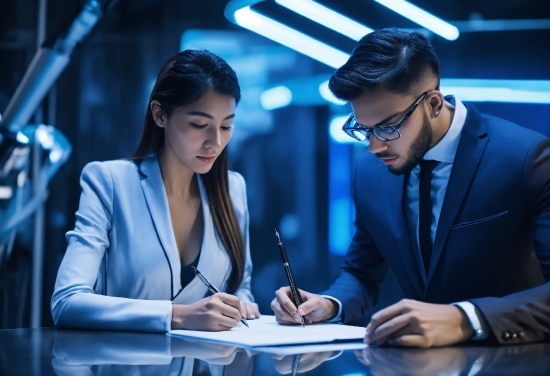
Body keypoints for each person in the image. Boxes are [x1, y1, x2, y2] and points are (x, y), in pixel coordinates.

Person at [272, 28, 550, 347]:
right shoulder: (368, 172)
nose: (375, 147)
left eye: (388, 127)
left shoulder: (525, 158)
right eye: (362, 129)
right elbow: (362, 273)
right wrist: (327, 305)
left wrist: (467, 318)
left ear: (432, 103)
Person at [51, 49, 259, 333]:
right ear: (160, 114)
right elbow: (67, 302)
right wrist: (178, 316)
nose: (216, 142)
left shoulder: (232, 188)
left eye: (227, 126)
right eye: (200, 125)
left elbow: (241, 287)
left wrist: (243, 305)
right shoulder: (110, 182)